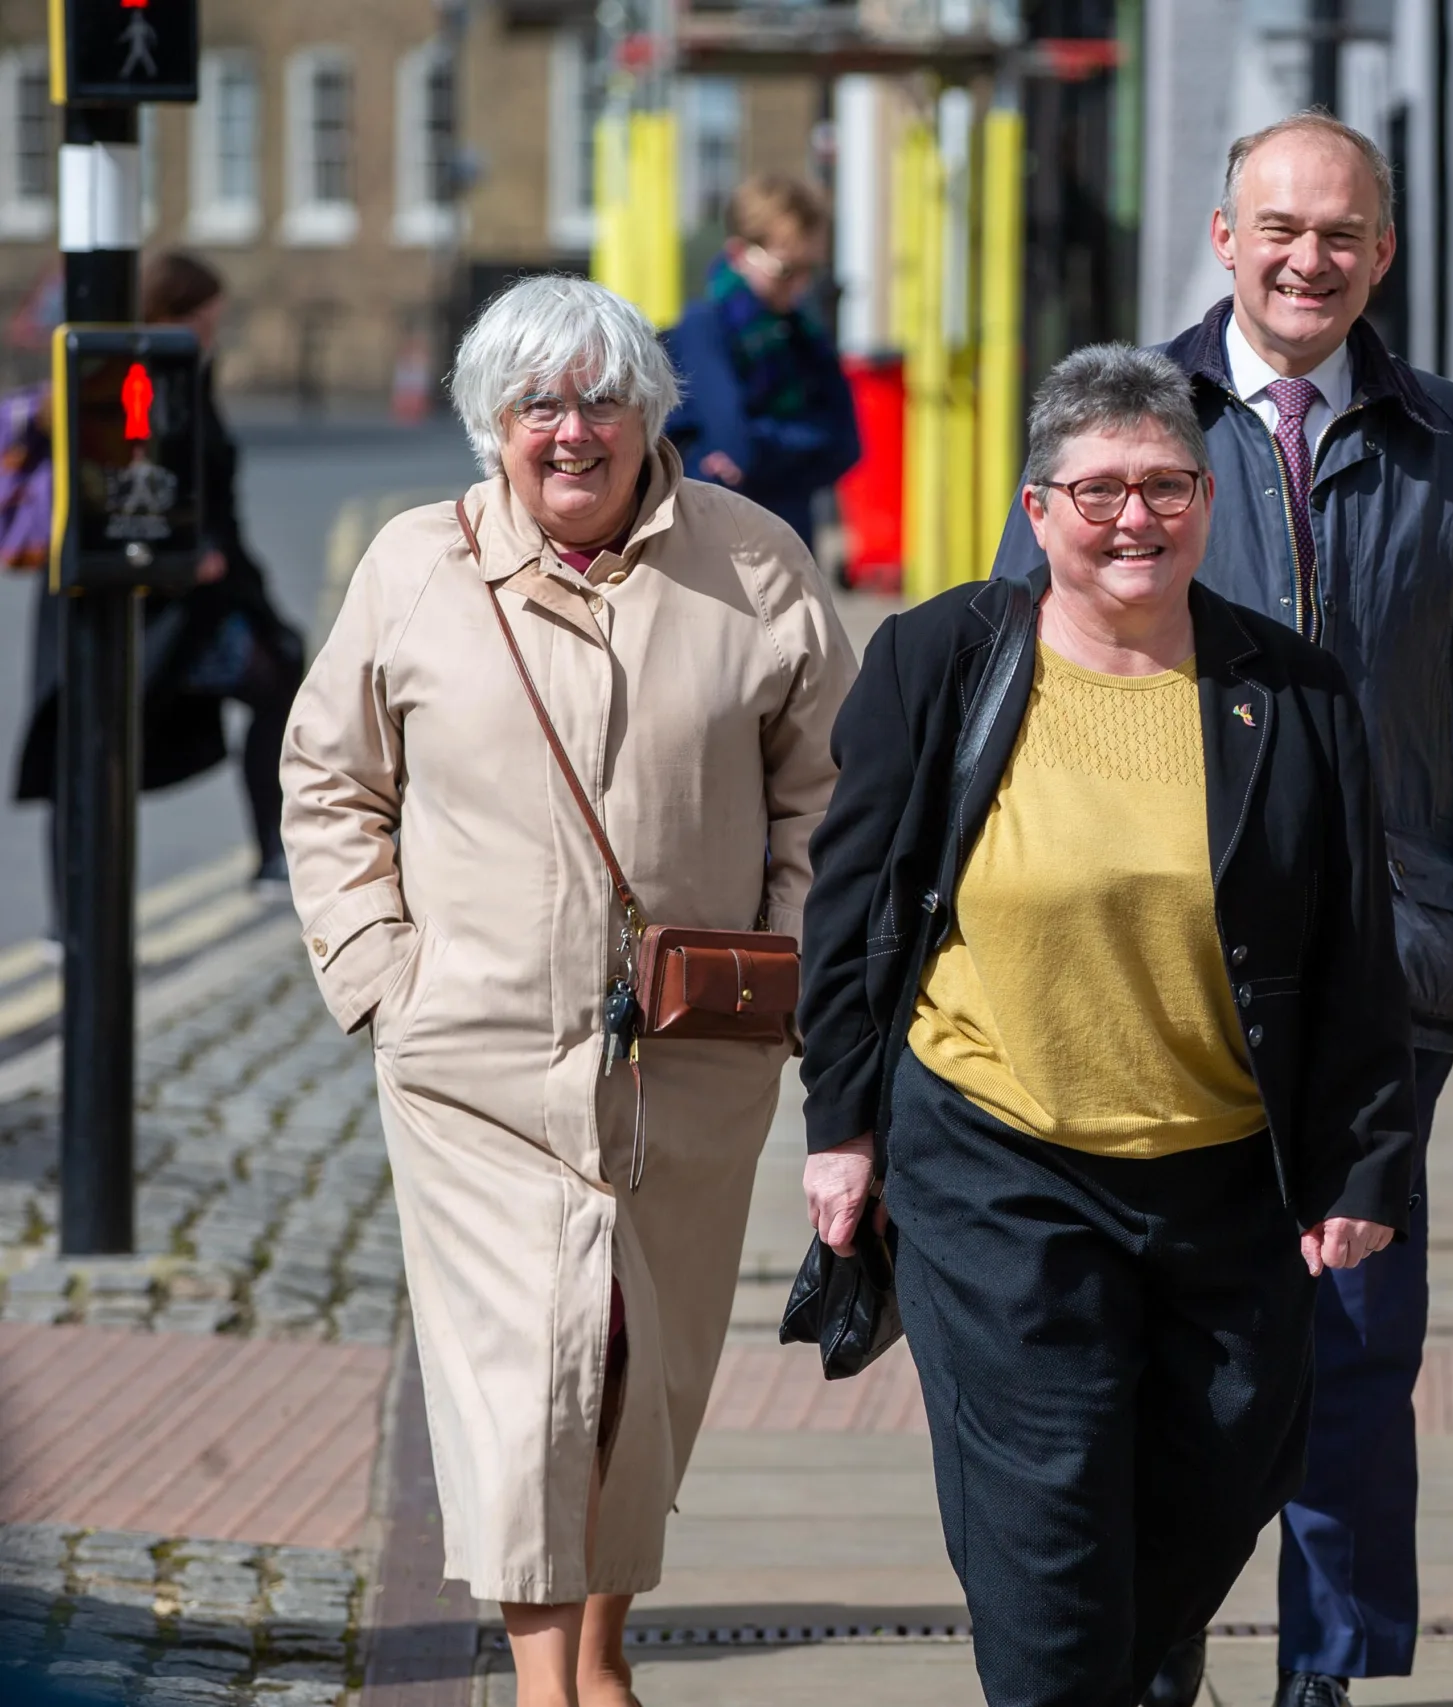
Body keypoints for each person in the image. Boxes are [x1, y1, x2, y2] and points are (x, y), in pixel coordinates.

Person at [989, 111, 1453, 1707]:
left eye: (1342, 233)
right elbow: (1006, 680)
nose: (1309, 259)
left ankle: (1326, 1676)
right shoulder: (1124, 416)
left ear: (1382, 253)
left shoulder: (1449, 435)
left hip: (1387, 960)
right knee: (1180, 1347)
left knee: (1352, 1338)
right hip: (1158, 954)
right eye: (1280, 228)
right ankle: (1159, 1650)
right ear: (1222, 237)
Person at [798, 344, 1419, 1707]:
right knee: (1049, 1508)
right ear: (1038, 510)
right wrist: (841, 1125)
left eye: (1168, 486)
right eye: (1100, 491)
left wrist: (1365, 1161)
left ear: (1207, 501)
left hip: (1224, 1163)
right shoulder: (942, 656)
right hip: (999, 1154)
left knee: (1229, 1462)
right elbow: (853, 906)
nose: (1136, 517)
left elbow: (1355, 951)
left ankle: (1128, 1664)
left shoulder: (1295, 691)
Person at [279, 276, 855, 1707]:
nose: (572, 431)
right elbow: (330, 777)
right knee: (523, 1368)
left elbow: (833, 794)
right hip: (471, 1056)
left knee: (641, 1360)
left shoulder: (752, 560)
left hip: (695, 1054)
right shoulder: (419, 565)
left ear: (649, 413)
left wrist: (780, 958)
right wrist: (381, 975)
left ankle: (601, 1648)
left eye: (600, 399)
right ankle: (555, 1682)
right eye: (537, 403)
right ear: (492, 425)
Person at [13, 249, 306, 898]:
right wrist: (180, 543)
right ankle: (76, 923)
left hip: (196, 602)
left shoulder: (186, 374)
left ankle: (271, 853)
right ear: (169, 313)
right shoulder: (125, 375)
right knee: (86, 743)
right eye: (206, 320)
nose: (212, 335)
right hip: (126, 600)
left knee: (280, 674)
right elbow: (116, 480)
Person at [662, 172, 861, 548]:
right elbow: (736, 441)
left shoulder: (804, 335)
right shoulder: (703, 329)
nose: (800, 286)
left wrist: (761, 446)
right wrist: (800, 446)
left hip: (789, 537)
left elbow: (846, 445)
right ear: (740, 254)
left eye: (811, 270)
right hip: (714, 544)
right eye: (787, 270)